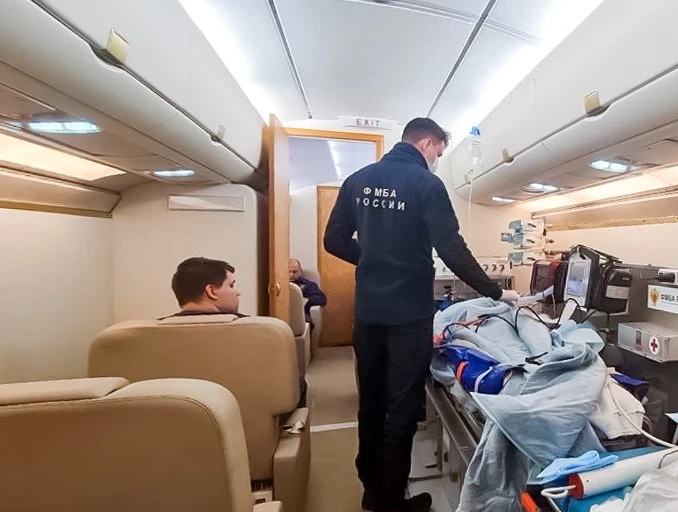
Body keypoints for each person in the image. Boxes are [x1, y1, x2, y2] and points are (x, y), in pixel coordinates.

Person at [323, 118, 520, 512]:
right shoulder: (426, 184)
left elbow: (333, 240)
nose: (436, 160)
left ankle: (372, 489)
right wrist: (497, 291)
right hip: (408, 316)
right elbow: (451, 248)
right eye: (438, 152)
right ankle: (391, 501)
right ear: (428, 143)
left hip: (368, 315)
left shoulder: (358, 181)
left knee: (371, 403)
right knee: (400, 408)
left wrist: (373, 261)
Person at [166, 256, 308, 407]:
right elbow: (290, 389)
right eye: (231, 285)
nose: (237, 292)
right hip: (251, 421)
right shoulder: (262, 332)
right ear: (211, 291)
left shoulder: (148, 335)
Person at [288, 258, 327, 322]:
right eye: (288, 271)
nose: (291, 274)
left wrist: (305, 300)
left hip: (302, 316)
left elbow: (321, 299)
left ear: (300, 271)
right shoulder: (279, 285)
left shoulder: (308, 285)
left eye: (294, 272)